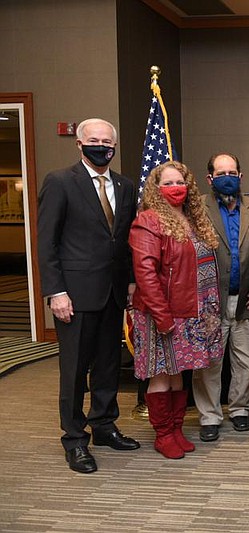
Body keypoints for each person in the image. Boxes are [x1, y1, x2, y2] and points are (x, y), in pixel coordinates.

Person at [37, 118, 140, 474]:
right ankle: (75, 440)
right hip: (74, 296)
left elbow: (124, 241)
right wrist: (55, 291)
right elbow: (47, 243)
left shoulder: (125, 186)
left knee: (109, 365)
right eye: (94, 140)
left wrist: (128, 283)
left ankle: (104, 425)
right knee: (75, 370)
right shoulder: (60, 182)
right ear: (79, 144)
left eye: (107, 141)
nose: (102, 146)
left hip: (112, 292)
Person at [129, 161, 223, 460]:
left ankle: (177, 428)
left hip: (194, 311)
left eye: (180, 182)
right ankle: (163, 434)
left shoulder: (193, 219)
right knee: (161, 372)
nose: (175, 188)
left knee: (178, 371)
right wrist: (162, 315)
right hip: (163, 312)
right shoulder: (149, 220)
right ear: (156, 189)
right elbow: (145, 273)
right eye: (167, 183)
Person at [192, 153, 249, 443]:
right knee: (210, 363)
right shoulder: (196, 208)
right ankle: (210, 416)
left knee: (246, 360)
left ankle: (240, 410)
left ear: (241, 176)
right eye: (221, 172)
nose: (228, 176)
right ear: (210, 178)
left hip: (246, 299)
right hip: (210, 301)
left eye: (233, 171)